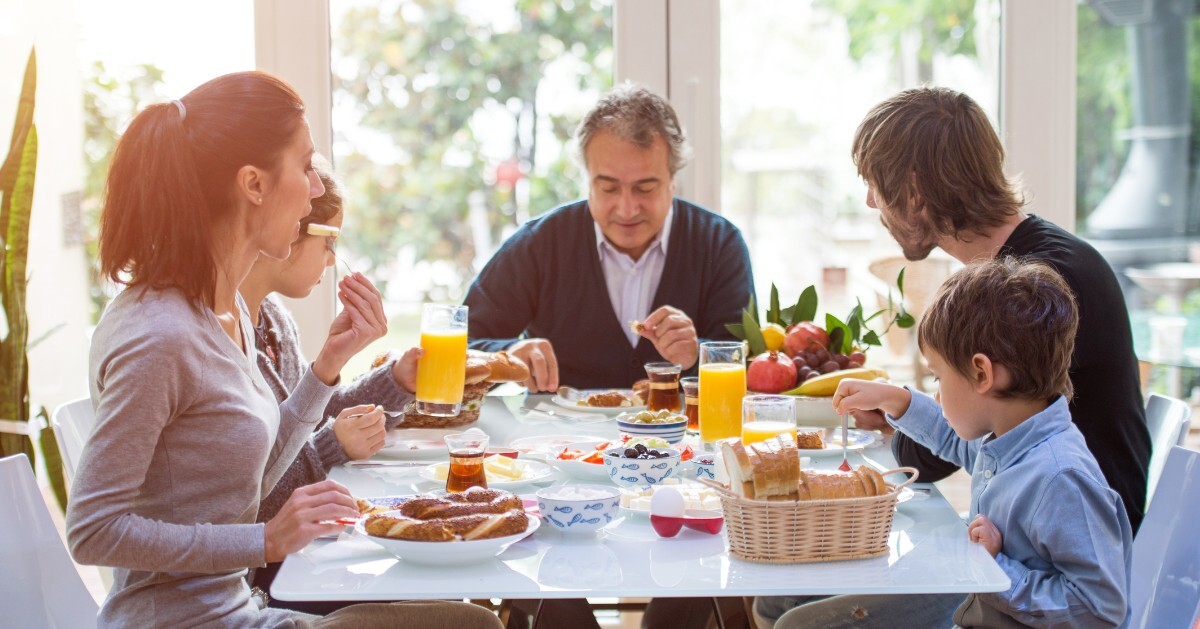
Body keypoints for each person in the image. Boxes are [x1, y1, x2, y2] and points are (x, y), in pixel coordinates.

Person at [66, 71, 502, 629]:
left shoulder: (232, 315)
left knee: (468, 622)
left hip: (244, 611)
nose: (316, 190)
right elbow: (93, 530)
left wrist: (322, 374)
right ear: (253, 184)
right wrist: (264, 539)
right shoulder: (158, 335)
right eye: (304, 166)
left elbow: (242, 485)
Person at [848, 86, 1150, 533]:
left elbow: (935, 455)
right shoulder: (1035, 265)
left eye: (875, 183)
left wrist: (901, 423)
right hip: (1034, 531)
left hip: (1065, 554)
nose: (872, 201)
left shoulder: (1030, 289)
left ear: (914, 192)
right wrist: (902, 412)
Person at [772, 258, 1131, 628]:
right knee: (785, 604)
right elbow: (956, 441)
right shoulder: (1011, 435)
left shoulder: (1060, 477)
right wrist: (899, 401)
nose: (938, 393)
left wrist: (994, 566)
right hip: (973, 605)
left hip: (984, 610)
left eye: (938, 378)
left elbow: (1100, 609)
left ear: (981, 373)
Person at [464, 83, 754, 392]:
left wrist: (697, 353)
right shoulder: (540, 244)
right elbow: (461, 348)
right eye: (608, 188)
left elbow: (752, 364)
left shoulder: (719, 244)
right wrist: (507, 355)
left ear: (673, 181)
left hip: (682, 438)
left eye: (645, 187)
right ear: (587, 180)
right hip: (557, 437)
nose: (627, 209)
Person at [240, 156, 423, 609]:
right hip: (269, 579)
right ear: (288, 229)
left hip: (288, 561)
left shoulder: (273, 320)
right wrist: (331, 448)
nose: (334, 259)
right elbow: (252, 498)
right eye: (330, 241)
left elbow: (306, 415)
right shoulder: (221, 336)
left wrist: (395, 381)